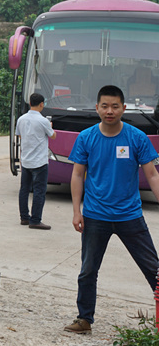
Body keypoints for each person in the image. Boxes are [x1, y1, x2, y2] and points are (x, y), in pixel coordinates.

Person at [63, 85, 159, 335]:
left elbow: (152, 175)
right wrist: (76, 211)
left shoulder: (137, 137)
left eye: (115, 106)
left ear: (124, 108)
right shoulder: (86, 137)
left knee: (154, 268)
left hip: (130, 216)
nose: (109, 111)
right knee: (88, 271)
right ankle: (84, 319)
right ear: (96, 108)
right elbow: (76, 174)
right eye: (104, 106)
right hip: (95, 216)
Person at [15, 93, 56, 230]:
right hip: (40, 162)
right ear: (41, 104)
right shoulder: (43, 121)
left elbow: (20, 135)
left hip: (26, 160)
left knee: (24, 190)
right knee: (39, 191)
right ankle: (36, 220)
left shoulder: (21, 119)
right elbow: (53, 136)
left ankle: (24, 217)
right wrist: (50, 126)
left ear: (30, 103)